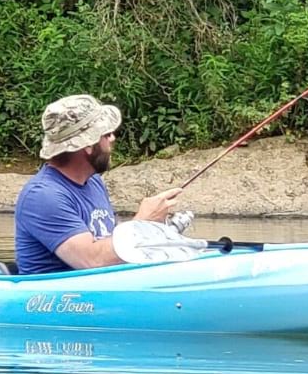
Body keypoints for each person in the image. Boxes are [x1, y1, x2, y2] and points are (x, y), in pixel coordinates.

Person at [14, 93, 182, 274]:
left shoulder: (93, 182)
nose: (112, 139)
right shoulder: (42, 196)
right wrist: (141, 223)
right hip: (63, 299)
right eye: (106, 134)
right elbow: (93, 261)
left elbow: (107, 243)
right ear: (88, 145)